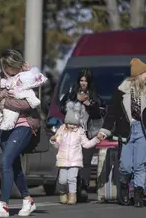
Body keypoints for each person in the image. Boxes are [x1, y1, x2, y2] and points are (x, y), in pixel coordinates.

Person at [0, 49, 40, 217]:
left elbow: (28, 104)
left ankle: (3, 204)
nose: (8, 70)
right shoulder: (1, 79)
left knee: (6, 160)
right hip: (3, 125)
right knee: (12, 163)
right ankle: (28, 200)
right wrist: (2, 95)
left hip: (24, 124)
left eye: (11, 66)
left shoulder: (27, 77)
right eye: (5, 66)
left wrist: (5, 102)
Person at [98, 58, 146, 208]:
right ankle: (123, 186)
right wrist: (104, 131)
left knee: (140, 165)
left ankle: (138, 193)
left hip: (143, 131)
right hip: (126, 131)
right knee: (126, 165)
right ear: (138, 74)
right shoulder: (122, 91)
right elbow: (112, 112)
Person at [60, 68, 104, 202]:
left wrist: (89, 103)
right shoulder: (71, 92)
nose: (83, 83)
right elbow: (62, 107)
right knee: (72, 161)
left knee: (85, 161)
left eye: (86, 81)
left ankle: (83, 187)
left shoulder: (94, 94)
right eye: (81, 80)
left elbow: (99, 113)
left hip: (88, 131)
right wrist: (76, 100)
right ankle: (73, 188)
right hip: (72, 131)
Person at [50, 101, 101, 205]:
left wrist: (96, 139)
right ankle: (63, 192)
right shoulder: (61, 130)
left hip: (75, 160)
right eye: (70, 123)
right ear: (66, 122)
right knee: (62, 180)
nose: (72, 126)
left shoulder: (80, 131)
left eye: (74, 124)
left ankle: (72, 196)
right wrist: (54, 140)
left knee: (72, 178)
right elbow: (57, 144)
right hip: (63, 159)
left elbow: (86, 144)